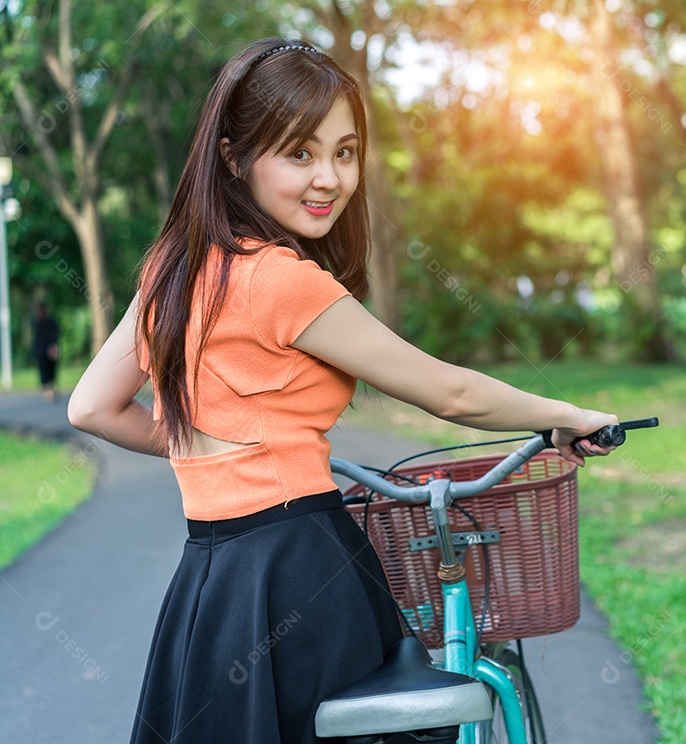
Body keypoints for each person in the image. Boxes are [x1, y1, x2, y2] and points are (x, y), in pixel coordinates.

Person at [67, 38, 617, 744]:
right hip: (303, 571)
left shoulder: (170, 272)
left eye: (345, 152)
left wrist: (216, 451)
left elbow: (92, 407)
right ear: (234, 159)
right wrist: (569, 417)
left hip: (210, 584)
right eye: (299, 153)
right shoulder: (282, 280)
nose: (329, 177)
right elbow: (448, 392)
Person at [31, 300, 60, 403]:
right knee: (45, 371)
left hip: (48, 350)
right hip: (42, 351)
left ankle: (50, 390)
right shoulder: (36, 322)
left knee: (50, 370)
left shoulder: (50, 322)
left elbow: (55, 335)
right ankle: (48, 391)